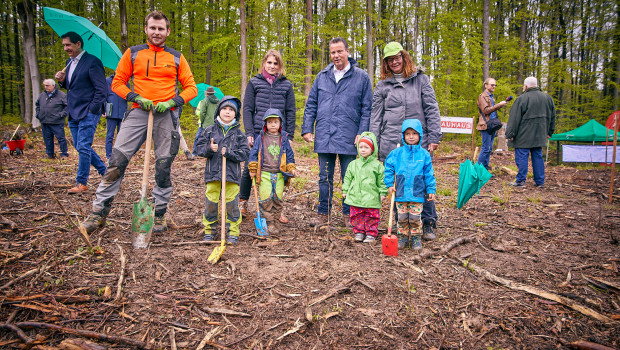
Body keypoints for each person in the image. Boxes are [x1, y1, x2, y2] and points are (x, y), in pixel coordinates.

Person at [81, 10, 197, 234]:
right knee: (117, 160)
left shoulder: (176, 57)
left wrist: (173, 101)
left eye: (161, 28)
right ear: (146, 29)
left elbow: (191, 87)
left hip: (166, 113)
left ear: (168, 31)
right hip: (138, 111)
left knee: (163, 166)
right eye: (152, 28)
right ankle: (98, 213)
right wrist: (135, 97)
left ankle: (160, 213)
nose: (156, 32)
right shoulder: (133, 54)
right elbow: (117, 83)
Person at [370, 41, 441, 239]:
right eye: (390, 59)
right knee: (397, 182)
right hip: (391, 141)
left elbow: (432, 108)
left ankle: (427, 222)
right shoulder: (382, 85)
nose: (395, 62)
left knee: (421, 181)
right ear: (385, 63)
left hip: (419, 141)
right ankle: (400, 225)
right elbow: (375, 116)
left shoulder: (421, 80)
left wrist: (434, 136)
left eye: (397, 57)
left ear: (404, 57)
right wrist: (373, 142)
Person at [301, 37, 373, 227]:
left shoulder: (361, 77)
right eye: (333, 52)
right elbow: (311, 105)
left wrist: (362, 132)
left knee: (349, 177)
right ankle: (323, 213)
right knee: (324, 177)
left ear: (347, 52)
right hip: (325, 134)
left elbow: (367, 108)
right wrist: (307, 128)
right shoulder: (322, 76)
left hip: (350, 136)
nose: (336, 55)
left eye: (339, 51)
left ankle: (349, 214)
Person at [241, 49, 296, 224]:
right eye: (269, 62)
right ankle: (243, 202)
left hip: (279, 134)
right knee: (250, 168)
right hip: (258, 131)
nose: (272, 66)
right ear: (264, 63)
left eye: (275, 63)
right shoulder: (254, 83)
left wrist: (290, 135)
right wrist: (249, 132)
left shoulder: (286, 85)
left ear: (280, 65)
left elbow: (291, 111)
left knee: (277, 169)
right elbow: (248, 109)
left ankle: (275, 208)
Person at [54, 31, 107, 194]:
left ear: (78, 44)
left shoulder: (92, 62)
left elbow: (102, 89)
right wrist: (62, 81)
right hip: (73, 111)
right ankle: (106, 171)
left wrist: (92, 109)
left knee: (83, 145)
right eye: (64, 45)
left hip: (87, 111)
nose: (65, 48)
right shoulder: (69, 63)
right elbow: (74, 87)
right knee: (79, 145)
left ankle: (81, 182)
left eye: (68, 45)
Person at [194, 96, 250, 244]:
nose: (227, 112)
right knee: (211, 203)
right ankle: (210, 231)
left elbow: (245, 153)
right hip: (213, 174)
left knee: (232, 204)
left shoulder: (239, 134)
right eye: (224, 109)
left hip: (232, 176)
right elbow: (199, 149)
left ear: (236, 114)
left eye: (231, 110)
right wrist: (209, 149)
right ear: (218, 111)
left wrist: (230, 153)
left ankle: (233, 232)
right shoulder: (209, 130)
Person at [384, 119, 436, 251]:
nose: (411, 136)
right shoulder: (397, 153)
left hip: (417, 192)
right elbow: (388, 167)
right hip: (400, 192)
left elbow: (429, 174)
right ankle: (402, 237)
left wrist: (430, 189)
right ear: (403, 136)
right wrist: (389, 184)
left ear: (420, 135)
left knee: (414, 218)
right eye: (407, 134)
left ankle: (416, 237)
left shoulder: (424, 154)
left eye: (414, 133)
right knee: (401, 217)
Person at [247, 109, 296, 235]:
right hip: (264, 173)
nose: (273, 124)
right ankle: (268, 223)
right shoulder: (261, 138)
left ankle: (275, 221)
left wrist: (291, 167)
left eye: (275, 122)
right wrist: (253, 168)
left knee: (277, 198)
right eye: (270, 122)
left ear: (280, 123)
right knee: (266, 199)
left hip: (279, 174)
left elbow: (289, 154)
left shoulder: (283, 138)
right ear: (265, 124)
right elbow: (253, 153)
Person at [506, 76, 555, 188]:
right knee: (538, 156)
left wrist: (510, 134)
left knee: (522, 156)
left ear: (525, 86)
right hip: (540, 133)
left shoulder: (522, 99)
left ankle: (520, 180)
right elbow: (552, 117)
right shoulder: (548, 98)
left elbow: (514, 118)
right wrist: (550, 131)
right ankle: (540, 182)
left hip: (524, 134)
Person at [342, 132, 387, 243]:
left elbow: (382, 181)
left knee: (372, 215)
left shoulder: (377, 166)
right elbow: (348, 178)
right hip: (356, 195)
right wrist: (345, 190)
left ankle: (371, 233)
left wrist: (382, 192)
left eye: (366, 147)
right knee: (357, 214)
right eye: (360, 147)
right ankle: (359, 232)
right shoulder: (353, 164)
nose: (363, 150)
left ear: (372, 149)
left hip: (371, 196)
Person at [476, 77, 508, 170]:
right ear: (486, 85)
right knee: (486, 148)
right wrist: (499, 105)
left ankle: (485, 166)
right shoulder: (482, 96)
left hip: (492, 125)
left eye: (495, 85)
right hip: (485, 125)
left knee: (489, 149)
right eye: (492, 84)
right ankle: (480, 169)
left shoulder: (491, 97)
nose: (494, 86)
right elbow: (485, 111)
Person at [35, 79, 68, 159]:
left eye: (47, 85)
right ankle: (50, 154)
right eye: (45, 85)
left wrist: (60, 115)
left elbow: (67, 107)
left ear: (53, 85)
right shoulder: (42, 95)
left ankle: (64, 154)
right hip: (45, 121)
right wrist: (38, 114)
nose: (46, 87)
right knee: (47, 139)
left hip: (57, 122)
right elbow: (37, 105)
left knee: (61, 138)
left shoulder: (61, 95)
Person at [104, 73, 128, 160]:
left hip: (122, 112)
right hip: (111, 112)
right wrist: (103, 109)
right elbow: (103, 95)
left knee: (121, 136)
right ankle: (109, 156)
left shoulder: (126, 82)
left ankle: (118, 156)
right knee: (109, 135)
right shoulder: (107, 81)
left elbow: (127, 96)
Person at [193, 87, 220, 156]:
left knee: (199, 137)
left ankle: (195, 153)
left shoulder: (205, 101)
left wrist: (202, 121)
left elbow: (202, 113)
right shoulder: (218, 101)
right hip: (215, 123)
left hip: (205, 123)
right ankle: (213, 153)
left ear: (207, 93)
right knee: (214, 138)